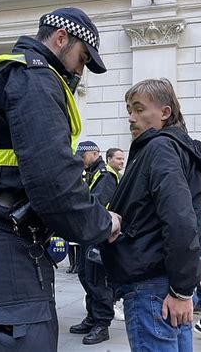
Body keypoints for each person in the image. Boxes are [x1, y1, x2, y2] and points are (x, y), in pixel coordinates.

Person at [0, 7, 121, 351]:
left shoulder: (8, 72)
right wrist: (103, 223)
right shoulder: (35, 78)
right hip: (2, 237)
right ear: (61, 38)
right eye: (82, 58)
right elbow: (54, 182)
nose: (80, 71)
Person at [101, 78, 201, 351]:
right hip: (164, 283)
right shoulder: (174, 148)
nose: (131, 117)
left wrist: (180, 290)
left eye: (139, 109)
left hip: (152, 286)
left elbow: (180, 220)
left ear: (165, 112)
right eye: (129, 109)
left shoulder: (159, 148)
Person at [70, 141, 118, 345]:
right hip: (89, 234)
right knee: (85, 275)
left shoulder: (105, 174)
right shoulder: (91, 173)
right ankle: (92, 316)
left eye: (82, 156)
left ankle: (102, 323)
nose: (80, 160)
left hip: (99, 235)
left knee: (97, 280)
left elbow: (97, 202)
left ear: (94, 153)